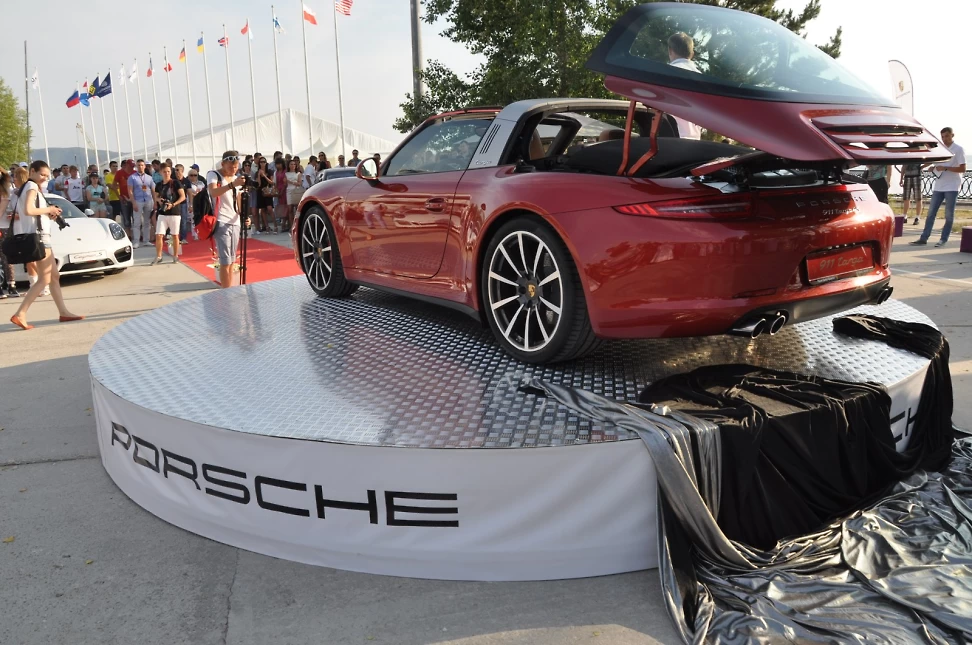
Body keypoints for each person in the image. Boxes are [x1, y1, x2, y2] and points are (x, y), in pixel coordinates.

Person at [8, 161, 84, 330]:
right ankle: (20, 314)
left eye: (46, 176)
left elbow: (31, 212)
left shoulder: (28, 187)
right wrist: (49, 210)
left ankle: (63, 312)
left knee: (54, 276)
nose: (44, 178)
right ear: (32, 171)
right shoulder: (31, 187)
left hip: (40, 236)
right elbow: (28, 210)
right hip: (40, 237)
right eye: (41, 174)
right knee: (45, 278)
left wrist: (48, 212)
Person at [911, 127, 966, 247]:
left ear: (952, 135)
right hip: (939, 186)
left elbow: (963, 168)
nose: (944, 139)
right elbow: (934, 161)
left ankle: (943, 239)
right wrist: (928, 167)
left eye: (947, 136)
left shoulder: (958, 149)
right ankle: (924, 238)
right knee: (931, 213)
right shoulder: (940, 149)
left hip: (952, 186)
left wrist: (946, 168)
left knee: (948, 215)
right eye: (942, 137)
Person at [207, 151, 249, 288]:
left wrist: (245, 217)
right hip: (221, 220)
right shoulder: (213, 174)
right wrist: (232, 184)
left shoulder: (236, 178)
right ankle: (226, 292)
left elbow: (238, 200)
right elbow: (213, 192)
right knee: (225, 261)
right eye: (230, 167)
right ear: (223, 164)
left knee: (232, 261)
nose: (233, 170)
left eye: (236, 167)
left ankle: (229, 289)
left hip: (235, 221)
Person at [667, 32, 702, 140]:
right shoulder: (701, 78)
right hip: (695, 139)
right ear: (692, 54)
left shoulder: (666, 73)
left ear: (670, 51)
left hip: (669, 139)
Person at [151, 165, 185, 265]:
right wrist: (159, 200)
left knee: (175, 235)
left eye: (169, 171)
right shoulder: (159, 184)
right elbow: (156, 197)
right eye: (165, 172)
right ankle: (159, 256)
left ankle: (175, 256)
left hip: (174, 212)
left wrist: (173, 204)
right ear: (161, 172)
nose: (167, 174)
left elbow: (183, 196)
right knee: (159, 234)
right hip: (162, 212)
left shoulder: (176, 183)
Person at [127, 159, 156, 248]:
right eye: (139, 165)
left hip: (148, 200)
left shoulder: (149, 178)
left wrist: (155, 202)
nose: (140, 167)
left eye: (142, 165)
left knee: (147, 222)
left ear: (145, 166)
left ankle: (146, 240)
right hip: (138, 201)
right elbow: (130, 191)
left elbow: (153, 190)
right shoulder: (132, 177)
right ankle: (136, 241)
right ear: (136, 166)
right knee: (137, 222)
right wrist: (133, 202)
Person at [113, 159, 133, 239]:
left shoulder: (134, 172)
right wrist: (119, 196)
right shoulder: (119, 173)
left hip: (134, 198)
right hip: (124, 198)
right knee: (126, 218)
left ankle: (137, 234)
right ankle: (128, 235)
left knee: (135, 217)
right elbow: (114, 185)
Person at [173, 164, 192, 244]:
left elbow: (190, 193)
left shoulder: (186, 181)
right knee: (174, 221)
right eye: (175, 170)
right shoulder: (172, 181)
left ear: (182, 171)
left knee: (183, 221)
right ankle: (174, 238)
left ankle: (183, 238)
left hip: (183, 204)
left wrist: (191, 205)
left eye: (178, 170)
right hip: (174, 204)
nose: (176, 172)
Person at [255, 157, 274, 234]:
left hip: (268, 191)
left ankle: (275, 225)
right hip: (260, 192)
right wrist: (259, 175)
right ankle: (267, 226)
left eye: (264, 162)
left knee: (270, 208)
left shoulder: (269, 171)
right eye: (261, 162)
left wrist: (264, 176)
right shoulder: (257, 172)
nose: (262, 163)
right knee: (262, 210)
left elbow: (271, 182)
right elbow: (258, 184)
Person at [284, 158, 301, 229]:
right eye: (291, 164)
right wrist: (285, 182)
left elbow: (299, 183)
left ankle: (298, 225)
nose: (293, 165)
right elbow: (285, 184)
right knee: (290, 209)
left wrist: (291, 182)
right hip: (289, 191)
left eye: (294, 164)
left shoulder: (298, 173)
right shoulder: (286, 174)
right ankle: (292, 226)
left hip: (296, 191)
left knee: (297, 209)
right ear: (288, 165)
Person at [273, 158, 288, 233]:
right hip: (279, 191)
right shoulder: (276, 172)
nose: (278, 165)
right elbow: (275, 183)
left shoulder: (285, 172)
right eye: (277, 164)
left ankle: (284, 223)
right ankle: (283, 223)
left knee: (286, 207)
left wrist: (282, 191)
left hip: (285, 190)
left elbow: (285, 183)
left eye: (279, 164)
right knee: (281, 207)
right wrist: (276, 191)